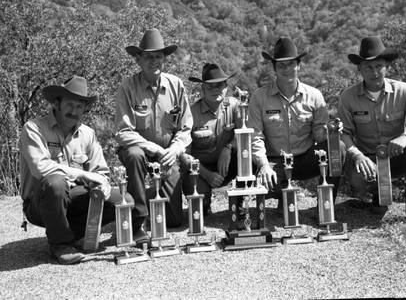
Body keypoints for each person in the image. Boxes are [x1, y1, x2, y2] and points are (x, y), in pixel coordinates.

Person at [20, 76, 131, 265]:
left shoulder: (88, 134)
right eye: (70, 105)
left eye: (80, 107)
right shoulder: (34, 128)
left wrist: (101, 184)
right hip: (40, 202)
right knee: (55, 182)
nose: (74, 111)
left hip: (73, 198)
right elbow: (40, 169)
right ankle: (60, 245)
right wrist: (83, 174)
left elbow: (100, 172)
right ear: (57, 103)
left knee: (123, 200)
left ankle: (67, 235)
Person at [337, 36, 406, 220]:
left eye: (379, 66)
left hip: (398, 157)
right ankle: (379, 197)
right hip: (369, 161)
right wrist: (358, 156)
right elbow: (345, 133)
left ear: (387, 66)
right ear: (360, 69)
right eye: (368, 67)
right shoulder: (348, 97)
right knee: (357, 179)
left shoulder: (404, 90)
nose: (375, 72)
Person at [248, 37, 346, 211]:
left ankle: (326, 206)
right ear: (274, 69)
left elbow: (318, 133)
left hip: (304, 160)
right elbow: (255, 136)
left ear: (299, 65)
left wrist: (330, 132)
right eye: (281, 65)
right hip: (275, 162)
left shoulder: (314, 96)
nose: (287, 69)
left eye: (291, 64)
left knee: (337, 147)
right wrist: (263, 165)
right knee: (266, 187)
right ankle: (283, 193)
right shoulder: (259, 97)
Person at [114, 28, 193, 245]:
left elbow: (186, 128)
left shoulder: (176, 85)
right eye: (148, 56)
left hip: (167, 154)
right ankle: (137, 222)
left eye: (159, 56)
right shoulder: (127, 87)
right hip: (139, 150)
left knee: (175, 220)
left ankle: (136, 197)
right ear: (138, 59)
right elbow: (122, 132)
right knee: (134, 155)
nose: (154, 61)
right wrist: (153, 148)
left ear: (164, 59)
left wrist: (174, 151)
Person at [179, 63, 242, 215]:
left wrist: (228, 148)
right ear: (203, 90)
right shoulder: (191, 114)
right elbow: (183, 154)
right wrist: (206, 174)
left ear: (226, 87)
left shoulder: (235, 106)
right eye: (210, 87)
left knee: (249, 158)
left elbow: (246, 135)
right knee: (200, 208)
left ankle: (239, 202)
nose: (216, 90)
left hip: (227, 165)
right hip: (199, 170)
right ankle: (204, 203)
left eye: (220, 85)